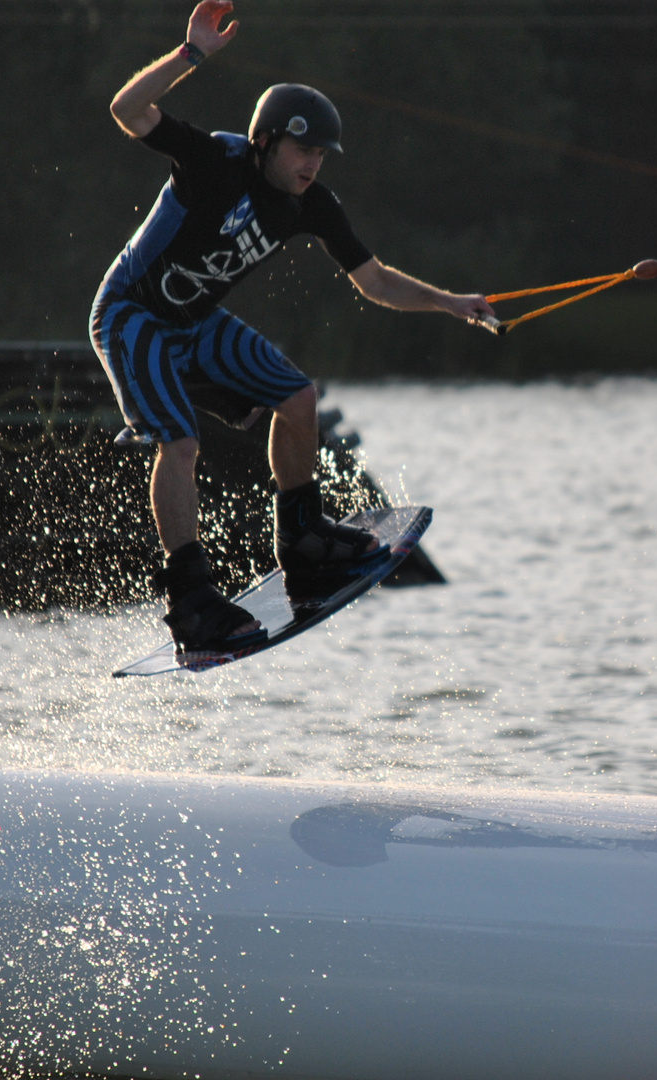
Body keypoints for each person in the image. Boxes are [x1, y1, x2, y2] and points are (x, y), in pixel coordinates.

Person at [92, 0, 495, 654]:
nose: (312, 164)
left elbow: (375, 280)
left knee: (298, 397)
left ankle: (302, 540)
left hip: (194, 323)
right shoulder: (212, 161)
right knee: (180, 442)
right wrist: (189, 56)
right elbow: (126, 109)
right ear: (266, 142)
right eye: (302, 149)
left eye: (321, 154)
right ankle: (191, 603)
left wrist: (450, 301)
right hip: (132, 314)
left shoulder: (311, 204)